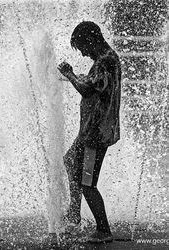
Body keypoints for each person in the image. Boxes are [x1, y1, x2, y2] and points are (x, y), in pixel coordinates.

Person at [57, 21, 121, 243]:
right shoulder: (105, 60)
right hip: (89, 131)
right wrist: (79, 77)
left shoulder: (105, 61)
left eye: (83, 47)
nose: (83, 53)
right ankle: (74, 214)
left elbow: (87, 89)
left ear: (91, 40)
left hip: (96, 133)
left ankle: (104, 230)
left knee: (87, 183)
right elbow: (97, 85)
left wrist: (70, 74)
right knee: (70, 161)